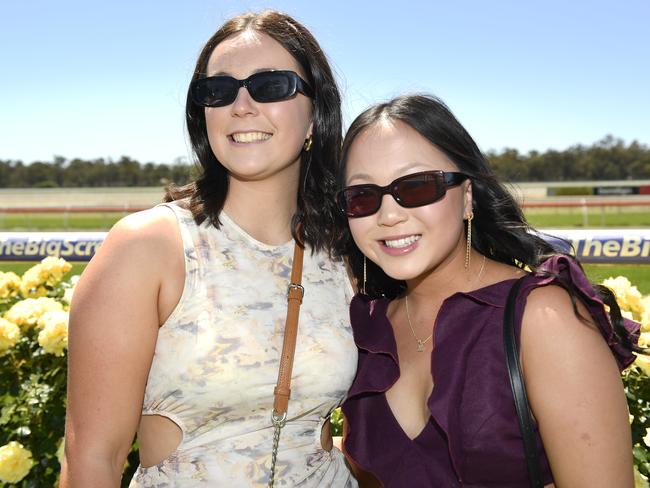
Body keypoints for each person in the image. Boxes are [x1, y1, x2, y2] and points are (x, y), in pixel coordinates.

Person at [61, 10, 358, 487]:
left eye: (272, 85)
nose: (241, 105)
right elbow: (92, 459)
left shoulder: (348, 252)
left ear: (315, 114)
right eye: (217, 90)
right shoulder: (149, 247)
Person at [333, 94, 640, 487]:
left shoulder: (542, 317)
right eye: (363, 196)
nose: (389, 215)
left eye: (417, 186)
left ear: (467, 196)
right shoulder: (365, 328)